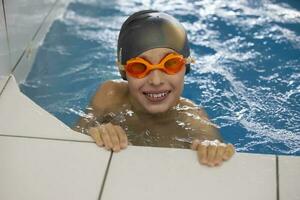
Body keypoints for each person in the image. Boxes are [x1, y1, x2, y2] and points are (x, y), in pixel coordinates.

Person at [75, 10, 235, 167]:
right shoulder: (109, 95)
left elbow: (216, 149)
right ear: (123, 71)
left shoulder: (194, 120)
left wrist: (213, 148)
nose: (156, 80)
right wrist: (96, 132)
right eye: (139, 67)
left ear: (186, 66)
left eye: (171, 64)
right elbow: (71, 139)